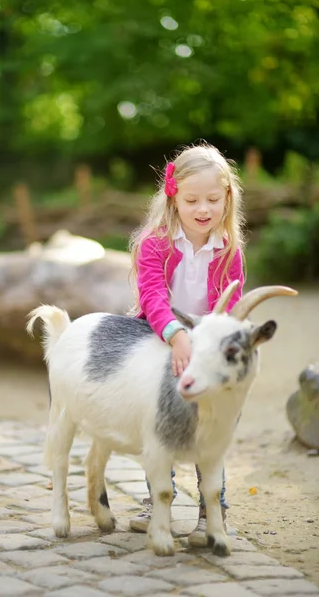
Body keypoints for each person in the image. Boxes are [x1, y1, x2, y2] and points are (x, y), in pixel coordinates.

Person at [127, 142, 245, 545]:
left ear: (226, 198)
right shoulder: (155, 242)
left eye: (213, 199)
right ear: (174, 198)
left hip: (207, 344)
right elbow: (153, 297)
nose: (203, 209)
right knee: (158, 419)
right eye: (192, 199)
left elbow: (228, 305)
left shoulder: (229, 249)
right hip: (162, 336)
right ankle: (157, 497)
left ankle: (213, 510)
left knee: (212, 420)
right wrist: (176, 335)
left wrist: (206, 347)